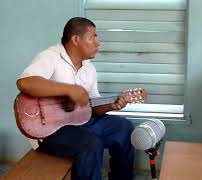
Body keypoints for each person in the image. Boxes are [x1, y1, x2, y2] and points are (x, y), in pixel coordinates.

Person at [16, 17, 134, 180]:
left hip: (81, 123)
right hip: (50, 131)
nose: (98, 43)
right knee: (91, 144)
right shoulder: (50, 57)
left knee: (124, 127)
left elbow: (91, 107)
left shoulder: (89, 68)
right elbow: (26, 83)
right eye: (93, 36)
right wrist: (70, 90)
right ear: (76, 40)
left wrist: (110, 106)